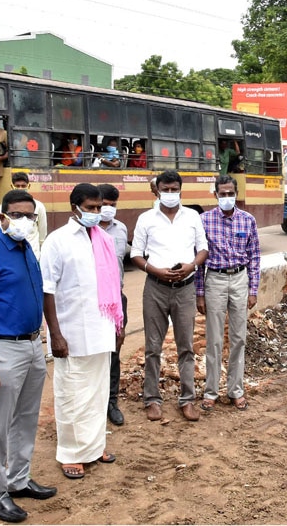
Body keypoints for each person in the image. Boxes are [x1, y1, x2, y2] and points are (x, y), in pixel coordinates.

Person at [0, 189, 56, 523]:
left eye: (30, 216)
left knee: (26, 418)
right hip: (3, 348)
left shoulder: (26, 249)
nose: (24, 221)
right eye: (18, 215)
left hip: (32, 345)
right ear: (2, 214)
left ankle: (18, 479)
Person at [40, 183, 122, 480]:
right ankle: (72, 454)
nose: (96, 213)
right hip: (71, 332)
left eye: (99, 208)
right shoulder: (57, 241)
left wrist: (116, 324)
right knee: (72, 393)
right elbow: (47, 290)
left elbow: (113, 284)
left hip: (101, 329)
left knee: (98, 393)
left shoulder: (103, 239)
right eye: (90, 208)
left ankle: (94, 446)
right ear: (74, 207)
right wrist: (55, 334)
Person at [130, 169, 208, 422]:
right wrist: (155, 270)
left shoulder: (193, 216)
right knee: (153, 347)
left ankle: (187, 400)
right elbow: (136, 254)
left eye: (175, 189)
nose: (170, 194)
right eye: (166, 189)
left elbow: (203, 249)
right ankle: (152, 399)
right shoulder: (146, 218)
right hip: (155, 288)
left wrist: (192, 266)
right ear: (158, 190)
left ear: (180, 190)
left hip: (185, 288)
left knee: (186, 346)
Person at [196, 174, 260, 412]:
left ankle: (236, 390)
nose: (226, 197)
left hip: (240, 279)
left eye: (230, 194)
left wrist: (253, 290)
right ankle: (211, 391)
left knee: (239, 338)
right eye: (222, 194)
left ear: (236, 194)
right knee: (213, 339)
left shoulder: (248, 220)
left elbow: (254, 256)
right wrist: (200, 293)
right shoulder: (204, 221)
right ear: (215, 194)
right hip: (215, 279)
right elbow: (200, 261)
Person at [97, 184, 128, 426]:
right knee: (94, 353)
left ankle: (111, 402)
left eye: (112, 205)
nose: (108, 209)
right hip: (93, 300)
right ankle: (94, 403)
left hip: (117, 299)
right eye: (104, 204)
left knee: (114, 351)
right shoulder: (88, 230)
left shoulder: (121, 230)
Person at [11, 172, 47, 259]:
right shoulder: (4, 207)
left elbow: (42, 233)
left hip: (33, 255)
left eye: (23, 186)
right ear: (12, 186)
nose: (20, 189)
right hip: (13, 254)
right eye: (17, 186)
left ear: (28, 186)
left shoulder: (39, 206)